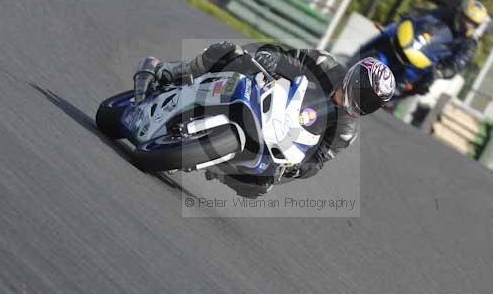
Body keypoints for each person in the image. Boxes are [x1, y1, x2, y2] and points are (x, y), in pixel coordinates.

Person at [133, 42, 395, 196]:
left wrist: (298, 169)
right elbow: (289, 57)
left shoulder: (346, 130)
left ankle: (205, 163)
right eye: (363, 93)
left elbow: (319, 159)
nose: (361, 102)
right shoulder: (325, 65)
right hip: (264, 89)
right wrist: (270, 59)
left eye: (370, 103)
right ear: (356, 77)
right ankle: (170, 71)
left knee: (261, 186)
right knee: (229, 52)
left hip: (276, 137)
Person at [410, 0, 490, 95]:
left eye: (472, 23)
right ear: (460, 13)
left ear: (477, 25)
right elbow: (427, 15)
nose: (467, 24)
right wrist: (413, 14)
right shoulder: (447, 14)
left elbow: (456, 65)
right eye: (466, 19)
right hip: (416, 47)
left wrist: (439, 73)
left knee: (425, 90)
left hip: (431, 67)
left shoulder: (470, 44)